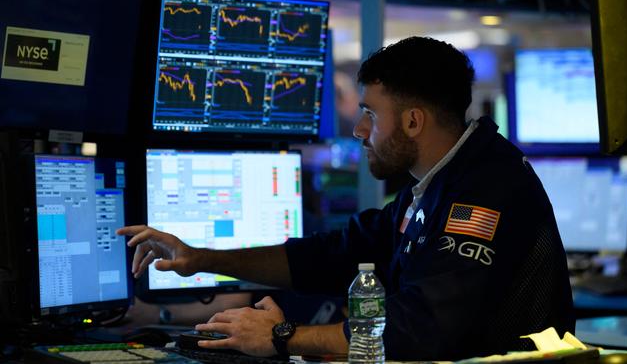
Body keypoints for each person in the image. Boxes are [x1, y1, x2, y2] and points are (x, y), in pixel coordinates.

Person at [118, 37, 574, 360]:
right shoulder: (439, 184)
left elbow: (421, 327)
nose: (359, 131)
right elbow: (333, 255)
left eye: (371, 114)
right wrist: (201, 257)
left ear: (413, 121)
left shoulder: (484, 191)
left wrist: (283, 336)